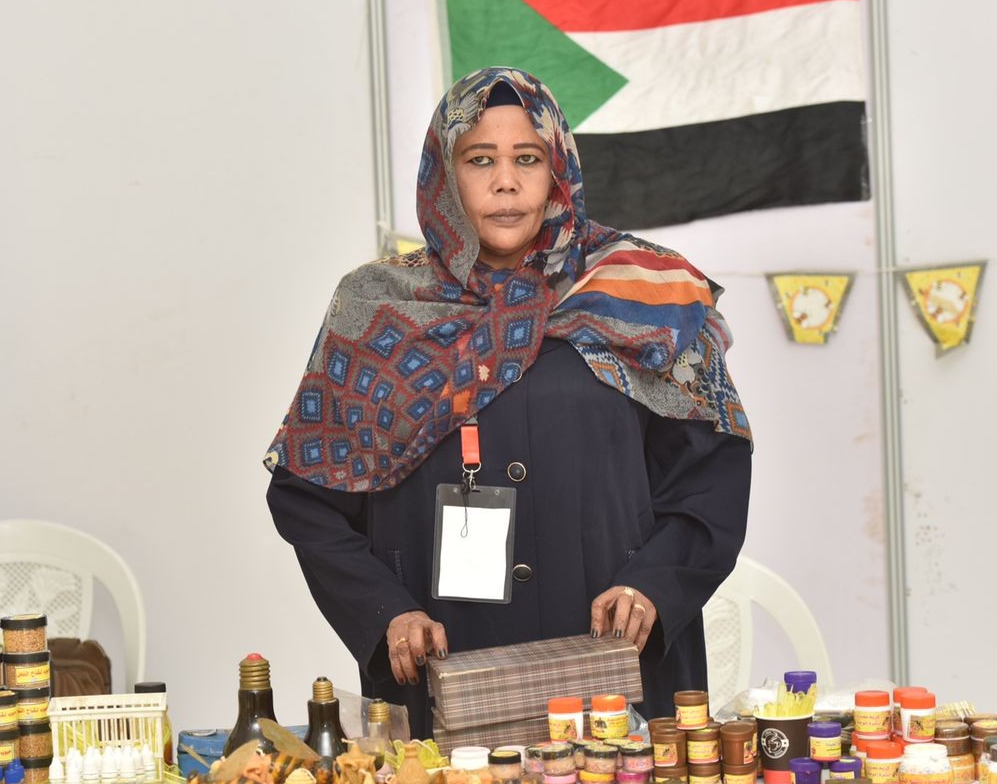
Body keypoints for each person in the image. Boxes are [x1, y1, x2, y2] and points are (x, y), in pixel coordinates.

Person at [264, 67, 752, 737]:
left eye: (527, 159)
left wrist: (655, 586)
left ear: (558, 172)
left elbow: (712, 473)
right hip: (444, 671)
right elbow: (306, 495)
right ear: (444, 173)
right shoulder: (377, 308)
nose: (505, 183)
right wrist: (384, 613)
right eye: (479, 160)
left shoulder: (644, 293)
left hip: (615, 666)